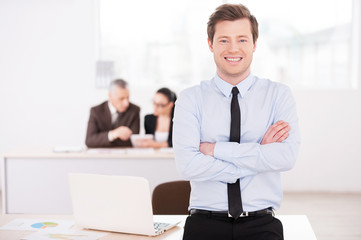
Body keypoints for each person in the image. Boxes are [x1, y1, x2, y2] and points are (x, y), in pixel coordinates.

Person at [173, 4, 300, 240]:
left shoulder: (278, 95)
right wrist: (260, 154)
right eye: (223, 40)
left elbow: (285, 157)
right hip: (204, 223)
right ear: (210, 44)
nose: (233, 48)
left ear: (254, 44)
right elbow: (188, 165)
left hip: (262, 223)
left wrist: (215, 150)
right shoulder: (191, 99)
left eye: (242, 39)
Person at [85, 79, 140, 148]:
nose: (126, 103)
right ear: (110, 96)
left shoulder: (134, 110)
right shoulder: (96, 111)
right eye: (121, 98)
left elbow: (132, 141)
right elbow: (90, 141)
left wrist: (100, 139)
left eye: (127, 98)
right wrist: (113, 134)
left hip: (124, 156)